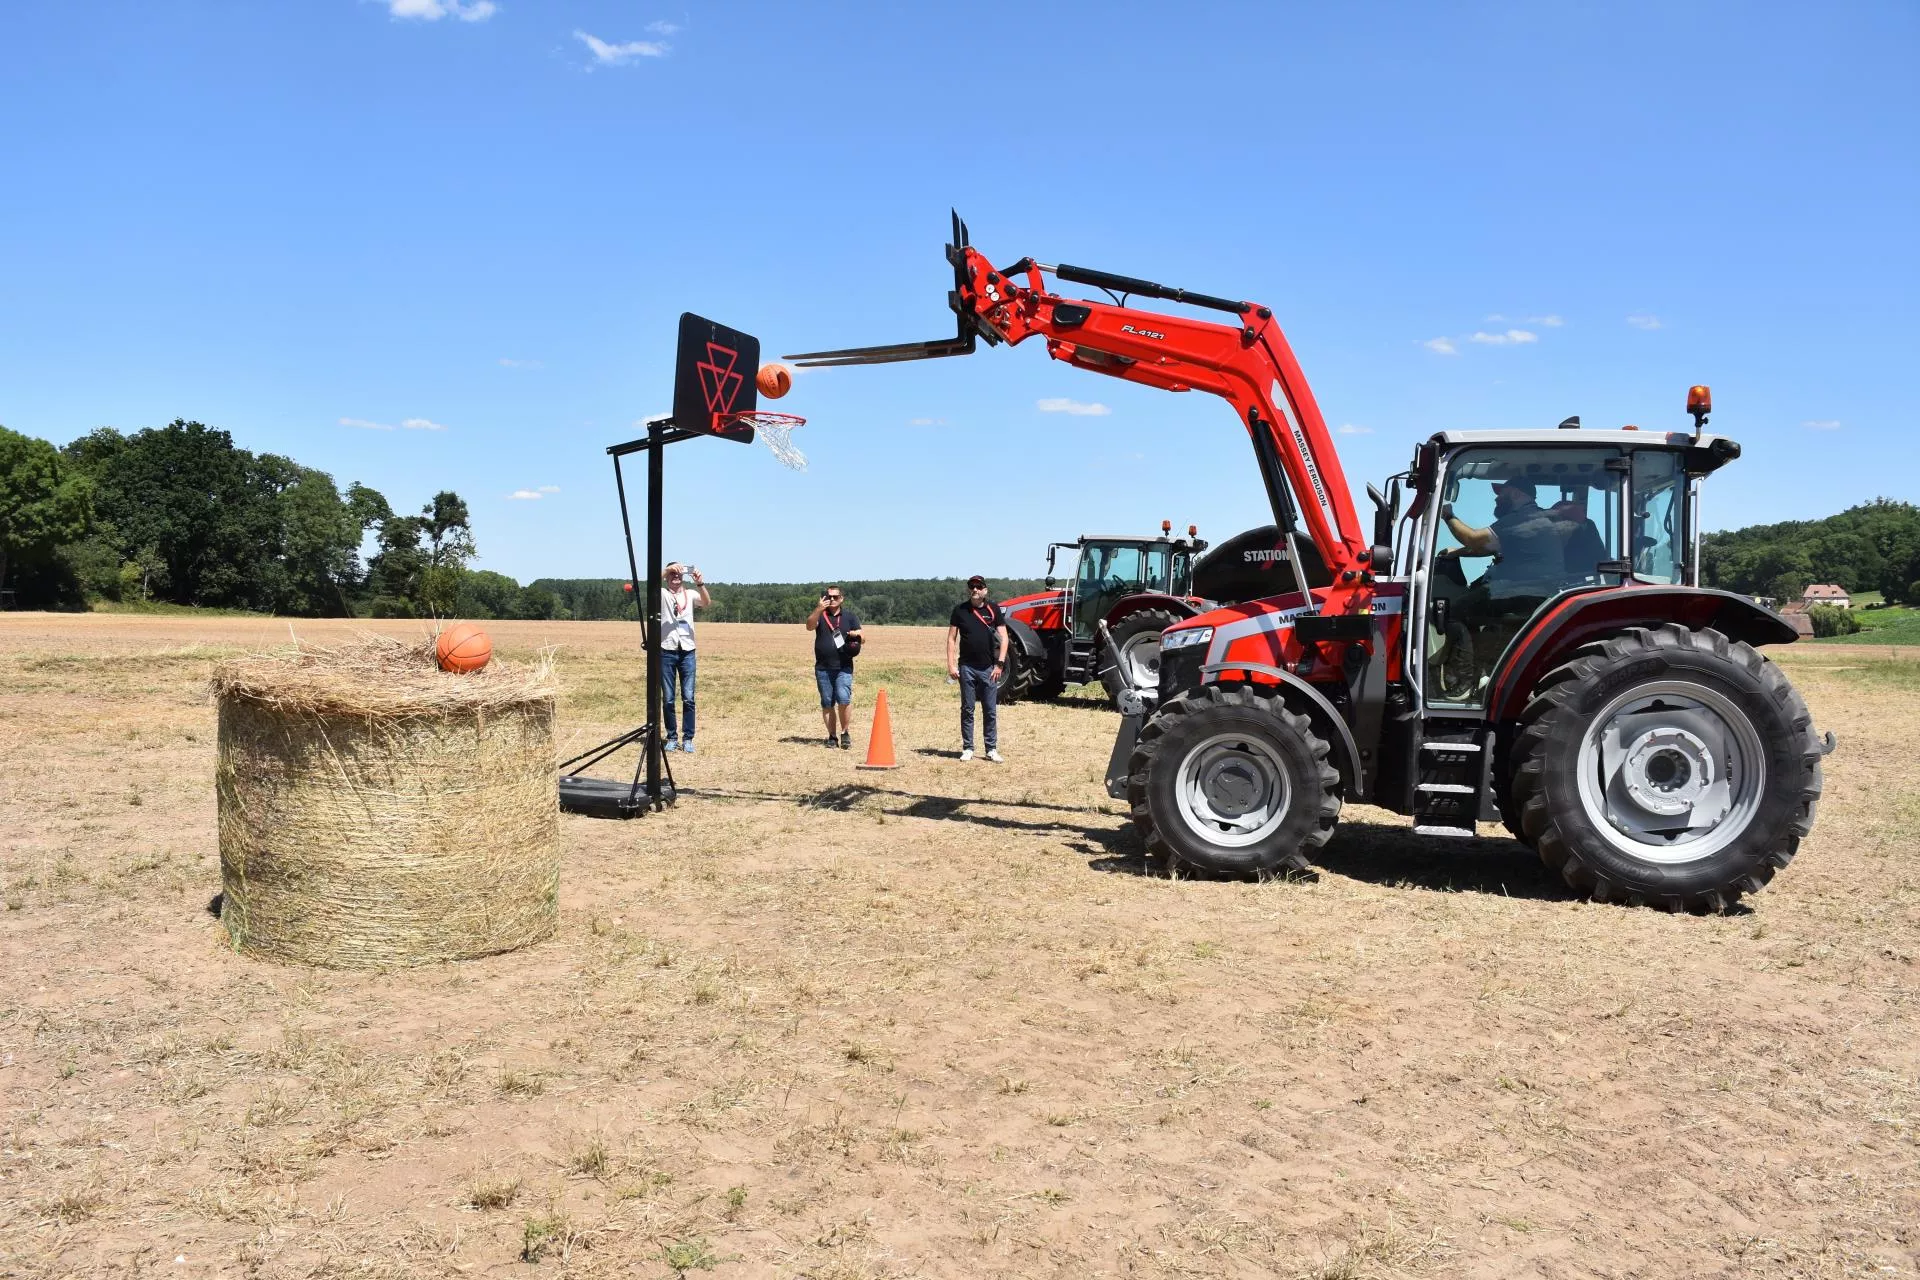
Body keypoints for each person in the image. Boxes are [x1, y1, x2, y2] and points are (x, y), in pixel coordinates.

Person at [946, 575, 1009, 763]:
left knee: (990, 710)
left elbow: (1004, 638)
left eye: (979, 586)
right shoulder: (960, 611)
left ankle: (991, 749)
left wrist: (999, 664)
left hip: (989, 668)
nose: (975, 589)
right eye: (972, 586)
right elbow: (951, 639)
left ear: (985, 590)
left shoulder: (994, 610)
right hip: (966, 668)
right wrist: (951, 665)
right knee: (967, 709)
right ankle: (968, 748)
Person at [658, 562, 709, 753]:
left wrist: (700, 583)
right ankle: (672, 737)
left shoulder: (690, 594)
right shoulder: (662, 594)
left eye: (679, 574)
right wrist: (668, 569)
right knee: (668, 698)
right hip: (667, 649)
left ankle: (688, 738)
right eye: (672, 574)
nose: (676, 577)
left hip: (688, 650)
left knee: (688, 697)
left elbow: (706, 602)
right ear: (667, 577)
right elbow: (654, 582)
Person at [805, 585, 863, 748]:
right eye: (828, 596)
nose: (832, 599)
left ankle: (845, 733)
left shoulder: (850, 617)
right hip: (823, 667)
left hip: (844, 666)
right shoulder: (821, 615)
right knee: (827, 702)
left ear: (841, 599)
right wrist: (818, 609)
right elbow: (809, 626)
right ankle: (832, 736)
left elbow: (863, 637)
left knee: (844, 698)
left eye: (835, 597)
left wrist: (856, 635)